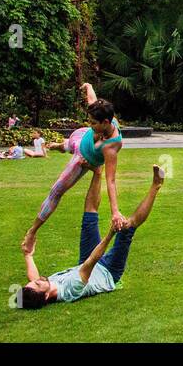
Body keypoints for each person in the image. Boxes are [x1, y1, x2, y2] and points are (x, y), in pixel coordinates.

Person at [19, 165, 164, 308]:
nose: (38, 280)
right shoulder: (71, 288)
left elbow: (33, 278)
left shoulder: (41, 288)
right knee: (127, 227)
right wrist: (111, 233)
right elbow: (93, 260)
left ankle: (97, 171)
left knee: (89, 216)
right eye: (38, 283)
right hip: (107, 271)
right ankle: (156, 185)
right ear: (46, 296)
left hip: (84, 263)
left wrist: (28, 255)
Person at [22, 84, 124, 252]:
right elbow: (92, 98)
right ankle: (58, 146)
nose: (91, 124)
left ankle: (32, 231)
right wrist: (89, 86)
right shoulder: (101, 118)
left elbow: (111, 180)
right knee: (67, 145)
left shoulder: (111, 147)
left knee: (56, 191)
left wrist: (115, 211)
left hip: (82, 159)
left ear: (106, 122)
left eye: (93, 123)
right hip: (80, 138)